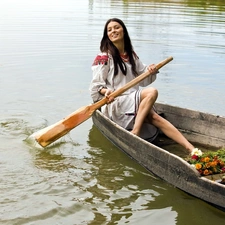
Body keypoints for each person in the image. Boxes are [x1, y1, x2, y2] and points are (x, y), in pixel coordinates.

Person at [89, 18, 196, 154]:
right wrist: (105, 91)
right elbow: (95, 86)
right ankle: (136, 131)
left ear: (123, 31)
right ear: (107, 36)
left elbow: (143, 79)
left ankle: (192, 149)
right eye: (109, 30)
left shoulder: (131, 55)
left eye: (116, 27)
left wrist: (151, 71)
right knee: (151, 92)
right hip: (115, 103)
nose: (113, 31)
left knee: (155, 117)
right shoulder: (104, 57)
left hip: (133, 102)